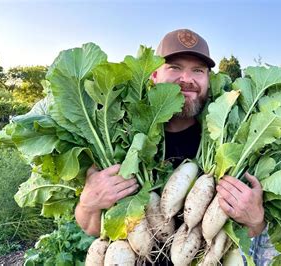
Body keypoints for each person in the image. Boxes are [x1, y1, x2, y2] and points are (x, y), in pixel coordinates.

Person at [75, 29, 266, 246]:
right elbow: (91, 227)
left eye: (198, 70)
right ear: (154, 75)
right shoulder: (117, 136)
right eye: (175, 67)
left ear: (208, 79)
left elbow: (252, 230)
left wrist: (256, 218)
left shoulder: (229, 139)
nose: (187, 79)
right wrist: (88, 204)